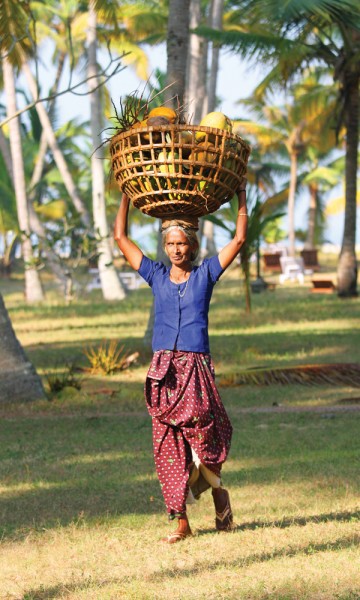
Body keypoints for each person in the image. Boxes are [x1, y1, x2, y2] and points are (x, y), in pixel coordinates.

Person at [114, 185, 247, 543]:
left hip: (196, 367)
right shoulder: (155, 276)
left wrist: (242, 197)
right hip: (163, 371)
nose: (176, 249)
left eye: (182, 243)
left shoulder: (205, 275)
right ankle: (181, 522)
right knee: (167, 445)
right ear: (165, 246)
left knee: (204, 433)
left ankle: (218, 490)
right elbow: (120, 237)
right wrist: (127, 193)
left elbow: (237, 240)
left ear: (193, 245)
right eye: (170, 244)